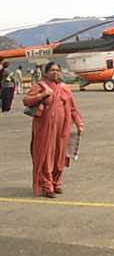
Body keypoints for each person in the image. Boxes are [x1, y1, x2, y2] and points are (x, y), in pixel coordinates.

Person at [23, 62, 84, 198]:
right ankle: (46, 186)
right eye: (52, 70)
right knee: (45, 156)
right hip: (45, 128)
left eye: (57, 70)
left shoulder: (65, 88)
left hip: (62, 128)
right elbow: (26, 100)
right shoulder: (40, 86)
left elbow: (73, 109)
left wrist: (79, 123)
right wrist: (41, 95)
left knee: (60, 156)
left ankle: (56, 182)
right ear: (46, 73)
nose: (55, 73)